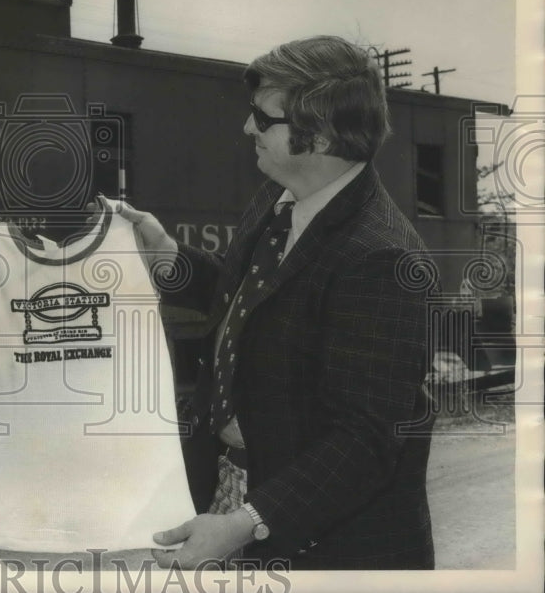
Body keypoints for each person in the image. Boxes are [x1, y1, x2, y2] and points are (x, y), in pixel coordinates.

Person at [126, 36, 435, 570]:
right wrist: (170, 260)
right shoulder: (278, 194)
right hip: (241, 493)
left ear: (319, 136)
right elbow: (257, 305)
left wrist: (246, 521)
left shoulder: (382, 258)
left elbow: (365, 442)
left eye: (263, 119)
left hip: (327, 548)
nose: (248, 129)